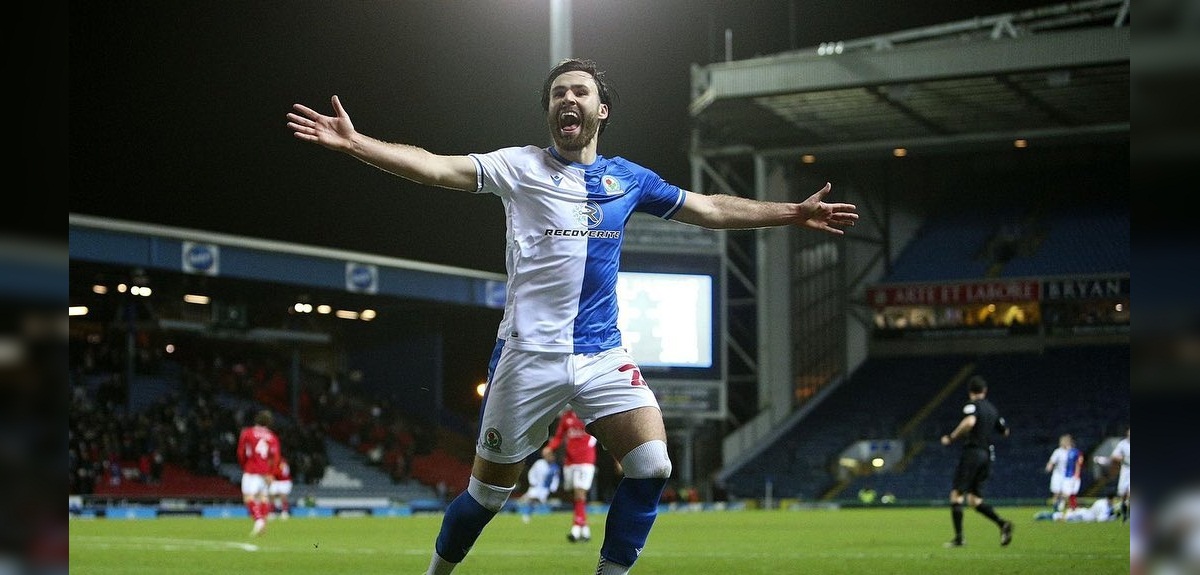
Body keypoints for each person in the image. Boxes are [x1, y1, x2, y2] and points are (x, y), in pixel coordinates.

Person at [287, 57, 858, 575]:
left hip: (602, 353)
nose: (568, 98)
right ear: (550, 111)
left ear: (600, 110)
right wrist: (357, 144)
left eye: (580, 91)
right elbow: (436, 168)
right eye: (559, 92)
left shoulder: (627, 179)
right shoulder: (519, 166)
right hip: (527, 357)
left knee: (653, 465)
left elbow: (708, 206)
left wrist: (791, 212)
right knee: (487, 497)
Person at [940, 375, 1014, 547]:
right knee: (974, 500)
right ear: (984, 391)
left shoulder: (972, 405)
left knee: (956, 495)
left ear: (970, 391)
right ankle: (1002, 524)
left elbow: (969, 421)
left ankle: (959, 539)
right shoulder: (992, 409)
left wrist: (951, 437)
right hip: (988, 455)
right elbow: (1005, 431)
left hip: (973, 452)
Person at [545, 409, 599, 542]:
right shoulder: (566, 417)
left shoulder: (589, 413)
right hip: (570, 461)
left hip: (586, 460)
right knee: (574, 495)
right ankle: (584, 529)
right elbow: (559, 436)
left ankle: (575, 529)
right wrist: (550, 447)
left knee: (580, 493)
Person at [237, 410, 281, 536]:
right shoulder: (272, 437)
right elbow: (276, 457)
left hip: (251, 470)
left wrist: (244, 465)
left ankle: (259, 520)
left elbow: (241, 452)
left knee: (248, 497)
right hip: (266, 472)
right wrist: (272, 473)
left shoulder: (247, 433)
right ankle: (263, 524)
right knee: (263, 497)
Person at [1044, 433, 1084, 519]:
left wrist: (1076, 473)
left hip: (1067, 476)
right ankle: (1055, 509)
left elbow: (1077, 462)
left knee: (1066, 493)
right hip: (1058, 475)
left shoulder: (1072, 452)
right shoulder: (1058, 451)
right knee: (1056, 492)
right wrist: (1049, 467)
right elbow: (1052, 461)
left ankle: (1062, 507)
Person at [1095, 425, 1130, 521]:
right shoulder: (1123, 444)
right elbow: (1114, 456)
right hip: (1126, 470)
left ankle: (1130, 514)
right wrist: (1123, 458)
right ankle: (1124, 513)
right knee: (1123, 493)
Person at [518, 447, 561, 524]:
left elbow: (555, 479)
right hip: (535, 486)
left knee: (537, 501)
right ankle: (526, 513)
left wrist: (553, 488)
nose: (551, 457)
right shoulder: (539, 463)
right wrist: (532, 481)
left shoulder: (554, 467)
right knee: (533, 499)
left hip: (545, 489)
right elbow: (532, 472)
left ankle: (530, 513)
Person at [270, 455, 294, 520]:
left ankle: (285, 512)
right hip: (276, 481)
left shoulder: (282, 462)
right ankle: (272, 512)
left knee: (283, 496)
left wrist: (271, 474)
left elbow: (280, 472)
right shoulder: (271, 461)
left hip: (284, 481)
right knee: (272, 495)